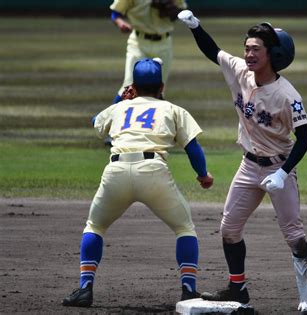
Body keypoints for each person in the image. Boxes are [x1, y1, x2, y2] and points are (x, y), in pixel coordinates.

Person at [177, 10, 307, 315]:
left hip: (277, 167)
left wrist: (283, 173)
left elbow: (305, 138)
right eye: (247, 48)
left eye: (256, 49)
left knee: (295, 237)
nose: (249, 54)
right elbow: (213, 51)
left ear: (272, 54)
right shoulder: (241, 71)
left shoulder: (287, 95)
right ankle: (237, 289)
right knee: (229, 228)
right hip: (248, 166)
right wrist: (195, 27)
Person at [62, 58, 213, 307]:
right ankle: (188, 290)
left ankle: (85, 288)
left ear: (133, 86)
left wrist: (120, 99)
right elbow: (192, 147)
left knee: (95, 226)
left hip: (116, 171)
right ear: (161, 86)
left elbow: (96, 122)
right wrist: (203, 175)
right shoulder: (173, 109)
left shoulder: (121, 108)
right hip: (153, 172)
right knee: (184, 228)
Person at [110, 0, 187, 104]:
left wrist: (173, 12)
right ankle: (107, 118)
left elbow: (182, 12)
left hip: (164, 43)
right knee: (129, 86)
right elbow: (115, 13)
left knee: (159, 89)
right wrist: (120, 23)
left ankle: (156, 119)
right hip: (138, 43)